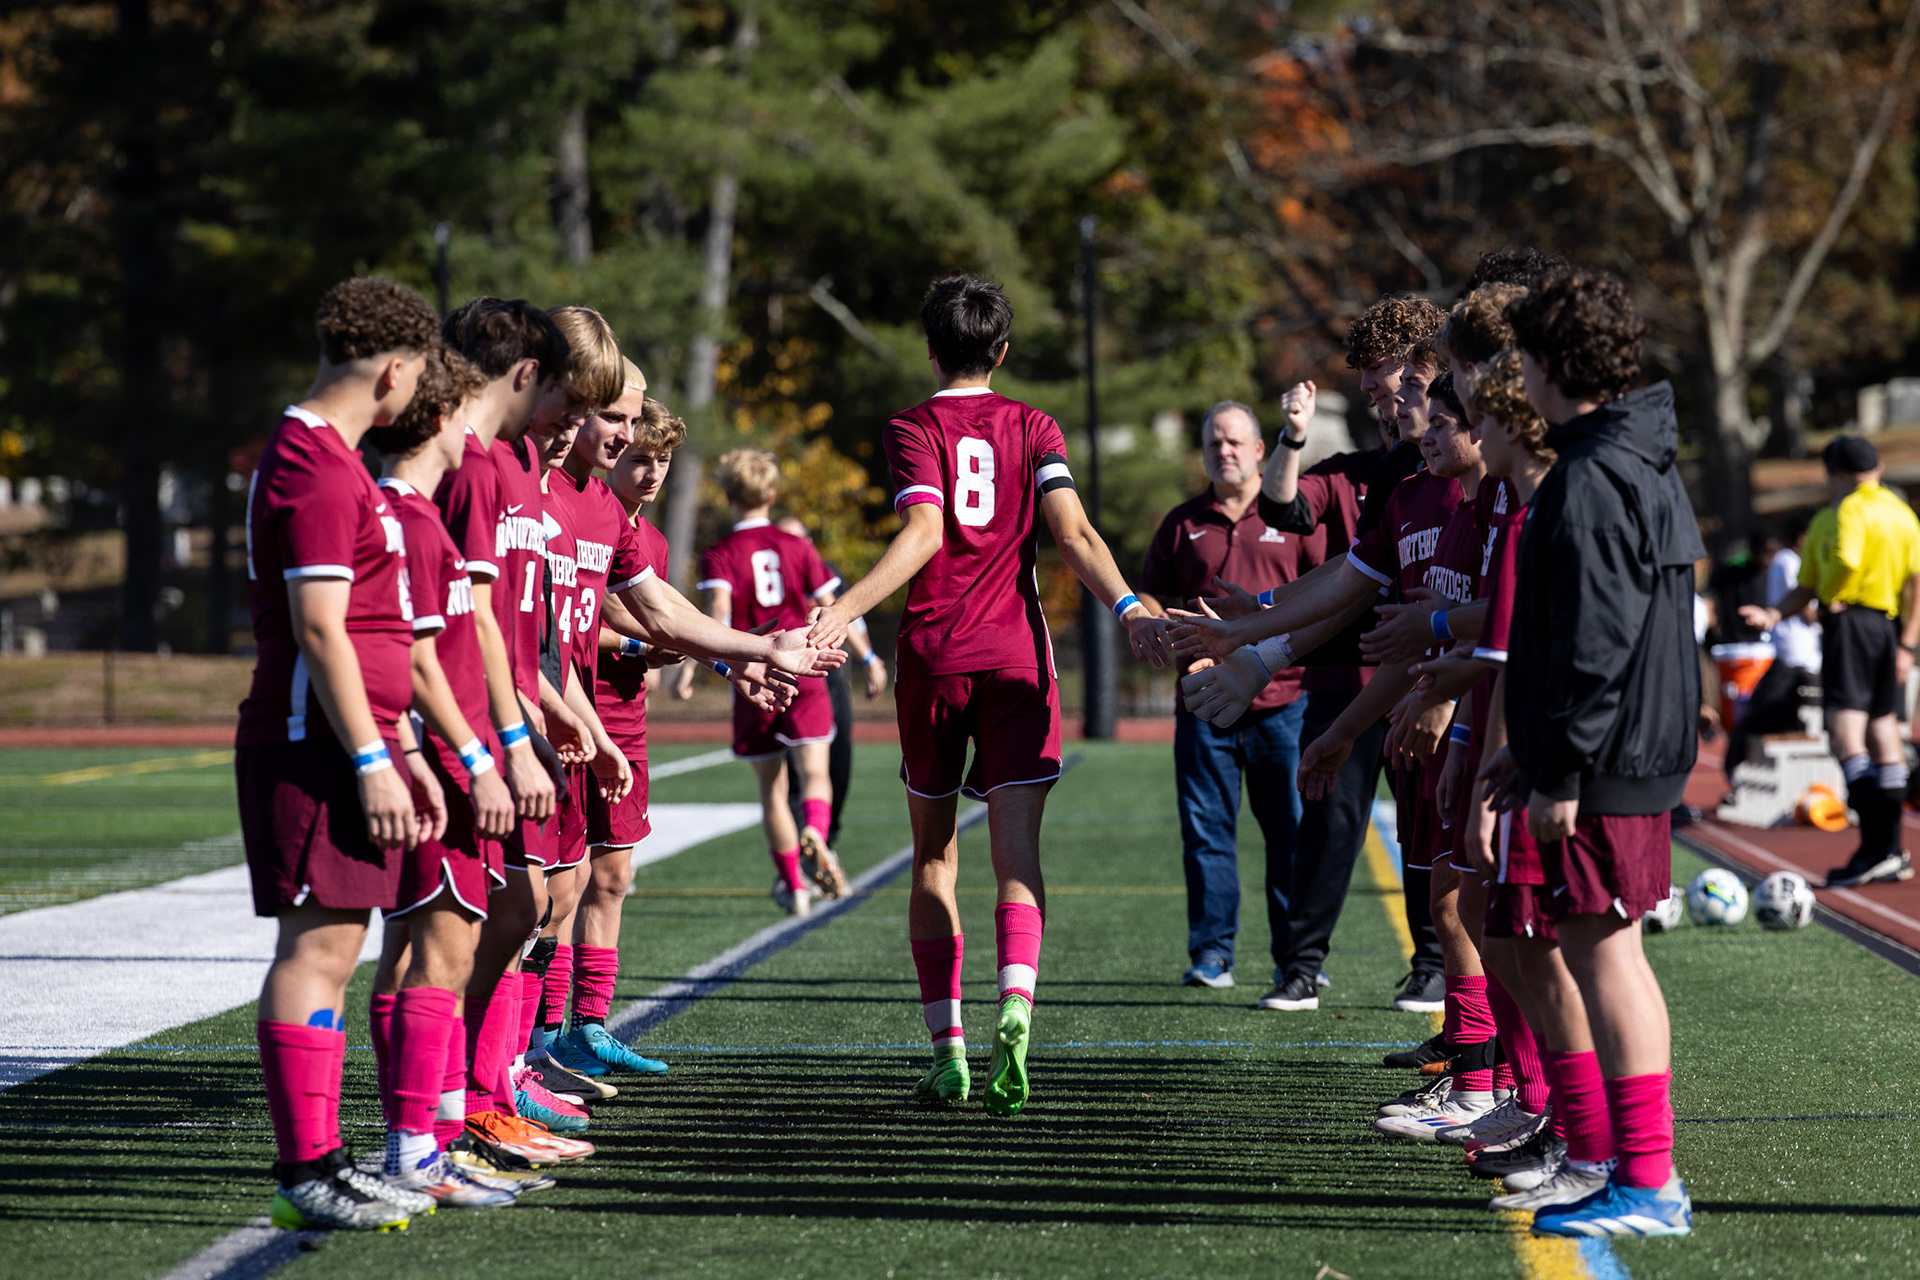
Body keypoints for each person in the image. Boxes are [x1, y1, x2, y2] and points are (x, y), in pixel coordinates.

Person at [808, 273, 1171, 1115]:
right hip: (1015, 654)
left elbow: (925, 530)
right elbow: (1073, 531)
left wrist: (842, 611)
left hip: (935, 655)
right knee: (1019, 855)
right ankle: (1016, 1002)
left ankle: (949, 1052)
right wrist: (1126, 607)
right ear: (1001, 351)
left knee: (934, 854)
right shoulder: (1034, 424)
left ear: (930, 348)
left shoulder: (911, 425)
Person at [1483, 270, 1703, 1238]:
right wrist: (1529, 752)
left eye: (1525, 356)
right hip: (1621, 749)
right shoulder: (1635, 458)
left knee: (1606, 955)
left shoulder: (1594, 477)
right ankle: (1627, 1164)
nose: (1517, 376)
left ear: (1553, 364)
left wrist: (1559, 767)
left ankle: (1647, 1179)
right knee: (1607, 952)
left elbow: (1598, 641)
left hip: (1608, 759)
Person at [235, 276, 441, 1231]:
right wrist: (371, 758)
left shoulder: (334, 459)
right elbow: (321, 630)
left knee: (338, 946)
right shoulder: (316, 466)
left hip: (344, 740)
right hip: (311, 744)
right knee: (315, 948)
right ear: (395, 370)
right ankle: (305, 1169)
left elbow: (362, 630)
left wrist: (400, 746)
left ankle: (324, 1160)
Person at [436, 298, 597, 1170]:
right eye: (580, 399)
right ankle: (443, 1118)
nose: (584, 419)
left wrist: (552, 711)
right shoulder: (476, 465)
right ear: (529, 376)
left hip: (497, 720)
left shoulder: (512, 465)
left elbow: (511, 625)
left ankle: (474, 1098)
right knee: (444, 933)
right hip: (459, 727)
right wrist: (506, 730)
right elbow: (464, 625)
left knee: (514, 910)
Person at [1252, 294, 1445, 1013]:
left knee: (1445, 847)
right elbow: (1301, 531)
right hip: (1364, 679)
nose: (1369, 390)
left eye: (1383, 375)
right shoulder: (1375, 470)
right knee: (1333, 826)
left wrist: (1258, 640)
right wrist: (1259, 636)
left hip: (1439, 685)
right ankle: (1303, 965)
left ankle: (1444, 982)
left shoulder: (1464, 470)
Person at [362, 345, 520, 1209]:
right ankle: (417, 1150)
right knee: (442, 954)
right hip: (439, 770)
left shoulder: (412, 517)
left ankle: (415, 1143)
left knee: (416, 955)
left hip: (431, 765)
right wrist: (475, 759)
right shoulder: (413, 523)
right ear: (443, 421)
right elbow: (420, 664)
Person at [1137, 398, 1318, 992]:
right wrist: (1180, 636)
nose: (1225, 451)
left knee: (1291, 831)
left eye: (1236, 441)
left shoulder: (1295, 515)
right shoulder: (1182, 521)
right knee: (1207, 831)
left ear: (1261, 449)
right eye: (1215, 442)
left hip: (1284, 703)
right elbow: (1153, 600)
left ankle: (1297, 962)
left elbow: (1332, 592)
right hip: (1203, 704)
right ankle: (1213, 954)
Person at [1741, 435, 1920, 887]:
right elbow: (1917, 584)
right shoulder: (1902, 513)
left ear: (1834, 473)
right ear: (1878, 468)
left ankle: (1877, 846)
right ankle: (1891, 849)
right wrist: (1908, 646)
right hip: (1887, 627)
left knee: (1844, 733)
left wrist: (1831, 599)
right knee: (1883, 730)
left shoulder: (1840, 513)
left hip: (1851, 625)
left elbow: (1841, 561)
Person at [686, 448, 851, 915]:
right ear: (772, 493)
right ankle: (817, 832)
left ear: (728, 495)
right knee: (815, 773)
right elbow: (833, 606)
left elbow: (717, 612)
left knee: (772, 789)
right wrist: (870, 656)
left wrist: (693, 665)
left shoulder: (720, 552)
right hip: (805, 666)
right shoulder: (795, 544)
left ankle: (792, 886)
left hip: (753, 670)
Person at [776, 514, 889, 848]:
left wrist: (869, 659)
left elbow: (850, 618)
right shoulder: (763, 573)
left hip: (826, 676)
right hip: (778, 678)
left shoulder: (825, 573)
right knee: (786, 775)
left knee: (836, 764)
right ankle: (797, 859)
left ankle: (823, 840)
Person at [1726, 511, 1821, 770]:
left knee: (1794, 717)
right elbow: (1805, 607)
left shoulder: (1787, 560)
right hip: (1796, 653)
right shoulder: (1789, 561)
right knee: (1790, 714)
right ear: (1803, 537)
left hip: (1801, 652)